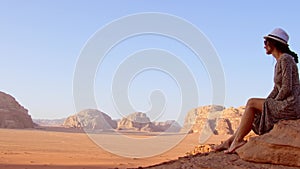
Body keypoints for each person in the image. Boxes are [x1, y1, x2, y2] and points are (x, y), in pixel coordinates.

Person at [213, 28, 300, 153]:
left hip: (290, 105)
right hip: (285, 102)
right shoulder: (279, 61)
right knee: (253, 104)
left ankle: (235, 141)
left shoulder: (285, 59)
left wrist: (271, 105)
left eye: (266, 42)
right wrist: (269, 102)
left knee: (251, 103)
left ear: (273, 43)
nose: (264, 46)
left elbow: (287, 88)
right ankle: (231, 141)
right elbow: (276, 89)